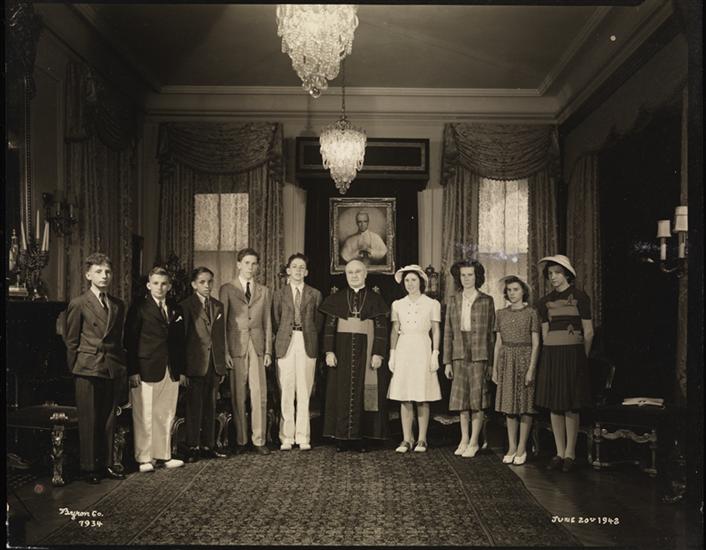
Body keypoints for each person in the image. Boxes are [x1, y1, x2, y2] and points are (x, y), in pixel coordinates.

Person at [64, 253, 127, 484]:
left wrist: (120, 367)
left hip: (111, 367)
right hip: (87, 368)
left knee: (109, 419)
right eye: (99, 271)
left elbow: (117, 340)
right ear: (88, 275)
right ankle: (89, 468)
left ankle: (107, 464)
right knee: (89, 420)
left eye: (108, 271)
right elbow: (71, 341)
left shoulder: (118, 304)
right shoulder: (79, 303)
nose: (104, 276)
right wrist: (76, 368)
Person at [319, 259, 390, 452]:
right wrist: (329, 351)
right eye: (350, 272)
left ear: (365, 274)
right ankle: (341, 438)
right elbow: (329, 327)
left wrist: (378, 353)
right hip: (341, 350)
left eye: (358, 271)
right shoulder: (336, 298)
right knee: (340, 392)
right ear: (346, 275)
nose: (354, 275)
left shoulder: (375, 299)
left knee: (363, 393)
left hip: (366, 350)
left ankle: (361, 438)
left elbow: (381, 328)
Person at [534, 255, 594, 473]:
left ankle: (570, 453)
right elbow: (545, 333)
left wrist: (581, 357)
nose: (553, 277)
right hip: (552, 355)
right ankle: (559, 453)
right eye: (550, 274)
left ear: (567, 275)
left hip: (573, 355)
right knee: (555, 405)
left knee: (571, 405)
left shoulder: (580, 297)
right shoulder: (544, 302)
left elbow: (588, 331)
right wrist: (548, 355)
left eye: (557, 273)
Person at [125, 267, 186, 472]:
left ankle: (163, 455)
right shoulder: (139, 308)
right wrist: (133, 371)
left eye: (164, 284)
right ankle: (144, 458)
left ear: (169, 286)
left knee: (166, 413)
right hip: (146, 367)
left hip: (170, 368)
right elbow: (130, 341)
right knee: (145, 414)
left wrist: (180, 370)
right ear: (148, 285)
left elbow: (180, 341)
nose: (160, 287)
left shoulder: (176, 308)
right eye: (156, 283)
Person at [220, 247, 273, 455]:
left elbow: (267, 322)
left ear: (258, 266)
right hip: (236, 346)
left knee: (259, 393)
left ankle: (259, 439)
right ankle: (241, 440)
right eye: (247, 263)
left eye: (254, 263)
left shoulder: (264, 291)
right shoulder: (227, 289)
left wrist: (268, 351)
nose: (250, 267)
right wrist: (225, 352)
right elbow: (222, 323)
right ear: (239, 265)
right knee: (238, 394)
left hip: (257, 346)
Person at [443, 259, 495, 458]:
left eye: (470, 275)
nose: (466, 278)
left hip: (480, 354)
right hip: (459, 353)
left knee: (477, 399)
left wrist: (490, 363)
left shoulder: (486, 300)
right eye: (463, 275)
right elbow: (448, 331)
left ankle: (474, 441)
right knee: (462, 400)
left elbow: (491, 334)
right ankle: (464, 439)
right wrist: (447, 361)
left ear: (477, 276)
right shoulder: (453, 300)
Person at [272, 253, 324, 451]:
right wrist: (286, 334)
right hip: (286, 342)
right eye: (294, 266)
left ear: (307, 272)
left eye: (302, 267)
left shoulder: (315, 294)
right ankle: (286, 437)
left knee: (304, 390)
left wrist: (306, 334)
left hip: (306, 341)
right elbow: (276, 320)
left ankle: (303, 436)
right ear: (288, 270)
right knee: (286, 389)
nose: (298, 270)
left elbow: (318, 323)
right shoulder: (279, 294)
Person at [387, 265, 442, 453]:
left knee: (422, 396)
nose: (410, 284)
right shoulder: (397, 304)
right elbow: (395, 330)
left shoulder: (432, 304)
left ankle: (422, 439)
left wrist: (435, 353)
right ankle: (406, 439)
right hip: (404, 349)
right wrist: (392, 354)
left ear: (421, 282)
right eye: (407, 280)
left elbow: (436, 330)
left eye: (413, 280)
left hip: (422, 349)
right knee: (405, 396)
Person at [180, 267, 227, 463]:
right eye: (202, 282)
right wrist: (182, 371)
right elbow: (182, 339)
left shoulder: (218, 305)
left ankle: (209, 445)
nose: (207, 286)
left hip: (214, 365)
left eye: (210, 282)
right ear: (194, 284)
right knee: (194, 408)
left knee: (211, 406)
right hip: (194, 365)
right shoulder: (185, 306)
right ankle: (192, 446)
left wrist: (221, 365)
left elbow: (220, 337)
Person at [492, 276, 540, 466]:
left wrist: (531, 369)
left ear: (523, 292)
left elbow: (536, 344)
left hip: (525, 358)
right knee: (509, 406)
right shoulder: (501, 313)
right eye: (509, 290)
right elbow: (498, 344)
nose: (512, 293)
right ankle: (512, 447)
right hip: (507, 360)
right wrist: (495, 368)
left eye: (516, 289)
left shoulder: (531, 313)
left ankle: (522, 448)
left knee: (525, 406)